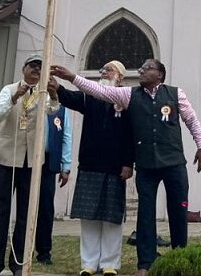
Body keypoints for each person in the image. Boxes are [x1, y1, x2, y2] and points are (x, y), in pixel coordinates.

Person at [52, 59, 201, 276]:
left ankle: (179, 258)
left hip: (174, 163)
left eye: (148, 68)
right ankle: (145, 263)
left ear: (160, 75)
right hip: (146, 166)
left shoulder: (175, 93)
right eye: (140, 68)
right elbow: (97, 90)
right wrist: (71, 78)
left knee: (178, 211)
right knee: (145, 214)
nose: (142, 70)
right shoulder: (129, 95)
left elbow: (192, 120)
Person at [53, 60, 135, 276]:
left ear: (120, 77)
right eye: (103, 69)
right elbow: (70, 98)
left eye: (110, 70)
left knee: (111, 218)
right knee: (88, 217)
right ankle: (88, 264)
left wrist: (129, 163)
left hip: (116, 168)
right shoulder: (90, 97)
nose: (105, 72)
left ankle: (110, 264)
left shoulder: (127, 99)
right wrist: (58, 87)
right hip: (90, 164)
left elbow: (131, 135)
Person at [0, 55, 60, 276]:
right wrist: (14, 98)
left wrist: (54, 96)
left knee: (25, 215)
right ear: (23, 69)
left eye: (40, 67)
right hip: (5, 161)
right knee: (2, 212)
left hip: (31, 163)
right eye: (33, 66)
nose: (37, 70)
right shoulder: (9, 89)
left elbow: (53, 111)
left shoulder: (42, 94)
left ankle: (18, 263)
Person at [35, 101, 72, 266]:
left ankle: (44, 252)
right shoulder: (32, 101)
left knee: (46, 207)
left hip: (48, 162)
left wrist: (66, 166)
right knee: (25, 207)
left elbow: (66, 136)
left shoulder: (60, 109)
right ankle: (21, 250)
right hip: (27, 160)